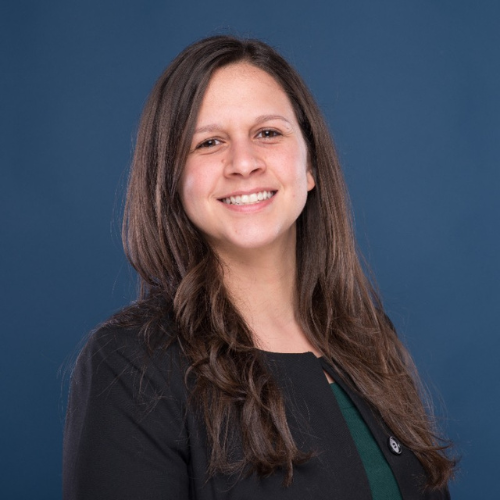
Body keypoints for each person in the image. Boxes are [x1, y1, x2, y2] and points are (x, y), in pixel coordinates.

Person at [63, 35, 455, 499]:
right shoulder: (133, 363)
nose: (243, 163)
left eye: (268, 133)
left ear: (310, 166)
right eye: (208, 142)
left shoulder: (368, 338)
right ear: (170, 180)